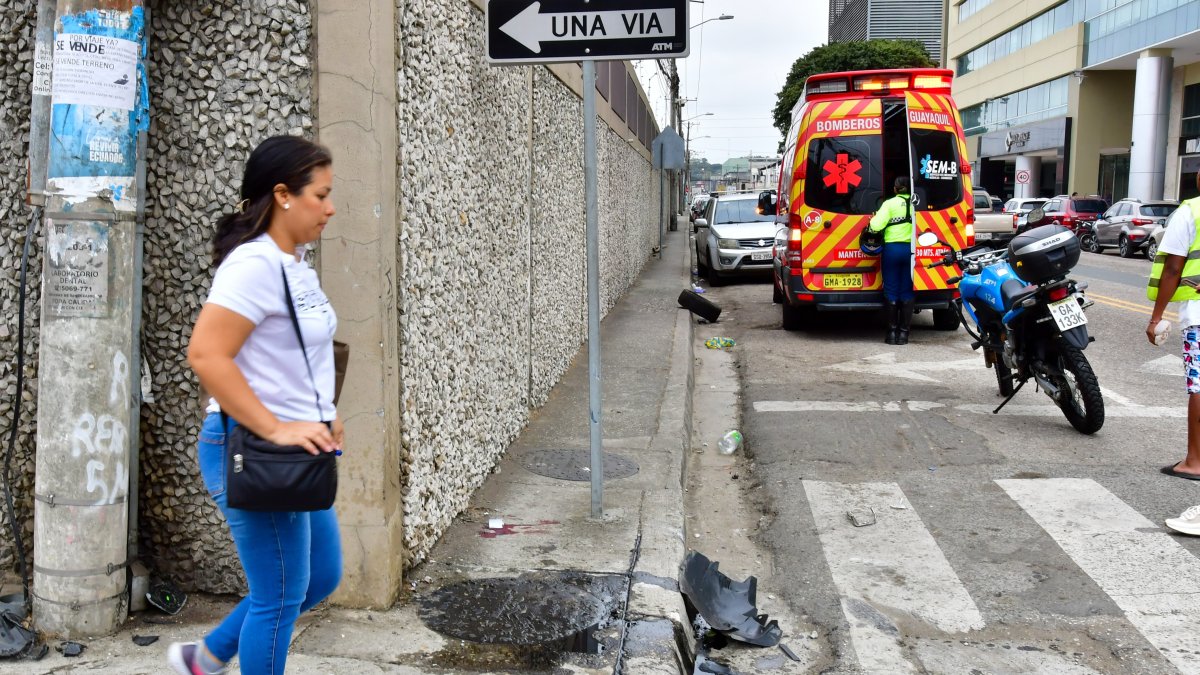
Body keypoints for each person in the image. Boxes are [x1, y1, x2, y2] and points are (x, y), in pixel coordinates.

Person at [168, 136, 343, 675]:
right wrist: (277, 427)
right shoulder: (253, 266)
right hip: (250, 448)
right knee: (279, 597)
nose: (331, 207)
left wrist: (321, 409)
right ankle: (212, 658)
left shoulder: (295, 264)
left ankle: (208, 656)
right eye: (322, 195)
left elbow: (291, 351)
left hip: (299, 446)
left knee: (318, 578)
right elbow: (206, 354)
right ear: (284, 195)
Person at [868, 176, 915, 345]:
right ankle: (904, 335)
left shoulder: (889, 204)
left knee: (891, 289)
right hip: (911, 251)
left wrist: (874, 219)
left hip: (892, 250)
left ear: (895, 189)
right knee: (907, 289)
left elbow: (875, 226)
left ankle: (891, 334)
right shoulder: (916, 203)